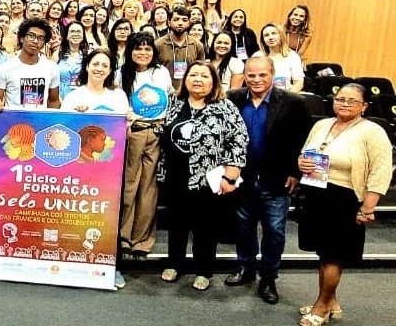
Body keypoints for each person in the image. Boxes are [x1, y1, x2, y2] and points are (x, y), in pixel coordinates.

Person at [296, 83, 392, 326]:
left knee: (333, 257)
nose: (345, 104)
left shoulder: (372, 131)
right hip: (317, 196)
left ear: (364, 106)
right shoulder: (322, 125)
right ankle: (331, 302)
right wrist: (301, 163)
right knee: (324, 254)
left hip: (346, 200)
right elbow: (304, 153)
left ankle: (321, 308)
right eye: (340, 99)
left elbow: (381, 172)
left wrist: (368, 207)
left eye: (352, 101)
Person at [223, 56, 310, 304]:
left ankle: (269, 277)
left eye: (262, 75)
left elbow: (304, 140)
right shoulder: (232, 98)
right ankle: (246, 268)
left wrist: (295, 173)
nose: (256, 80)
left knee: (274, 232)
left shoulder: (294, 102)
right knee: (243, 228)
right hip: (242, 178)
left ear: (272, 74)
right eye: (251, 75)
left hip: (277, 180)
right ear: (244, 76)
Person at [159, 61, 247, 291]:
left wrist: (231, 175)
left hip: (208, 178)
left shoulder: (225, 107)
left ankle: (203, 270)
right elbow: (157, 128)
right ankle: (174, 264)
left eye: (204, 76)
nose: (198, 79)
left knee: (206, 227)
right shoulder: (173, 103)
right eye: (193, 75)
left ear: (214, 81)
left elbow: (239, 140)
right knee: (176, 225)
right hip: (175, 175)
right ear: (185, 79)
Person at [118, 32, 172, 261]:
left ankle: (142, 240)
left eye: (147, 48)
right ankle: (123, 238)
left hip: (157, 133)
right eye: (138, 48)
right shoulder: (121, 73)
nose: (143, 52)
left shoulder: (161, 72)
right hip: (133, 133)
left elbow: (169, 98)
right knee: (129, 186)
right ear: (130, 51)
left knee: (149, 189)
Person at [0, 18, 60, 111]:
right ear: (21, 38)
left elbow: (54, 101)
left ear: (44, 43)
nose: (35, 41)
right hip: (14, 119)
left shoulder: (52, 68)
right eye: (31, 36)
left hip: (40, 119)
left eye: (40, 38)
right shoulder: (5, 68)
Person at [61, 48, 129, 115]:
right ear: (87, 67)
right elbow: (63, 120)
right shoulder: (72, 97)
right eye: (95, 64)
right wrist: (75, 114)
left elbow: (125, 120)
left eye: (105, 66)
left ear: (109, 71)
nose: (99, 69)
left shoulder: (119, 95)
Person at [154, 6, 205, 90]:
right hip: (164, 91)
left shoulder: (197, 45)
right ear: (169, 22)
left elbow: (201, 71)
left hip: (189, 91)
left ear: (189, 23)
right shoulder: (158, 44)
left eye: (184, 20)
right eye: (176, 19)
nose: (180, 23)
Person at [254, 23, 305, 92]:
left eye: (274, 33)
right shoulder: (257, 56)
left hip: (286, 94)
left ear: (281, 35)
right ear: (263, 40)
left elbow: (299, 83)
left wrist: (287, 96)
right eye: (266, 35)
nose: (270, 37)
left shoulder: (293, 56)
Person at [55, 21, 88, 99]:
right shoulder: (57, 54)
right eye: (72, 31)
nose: (75, 34)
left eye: (78, 31)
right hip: (60, 98)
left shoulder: (88, 56)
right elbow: (51, 80)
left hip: (82, 99)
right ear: (67, 35)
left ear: (83, 35)